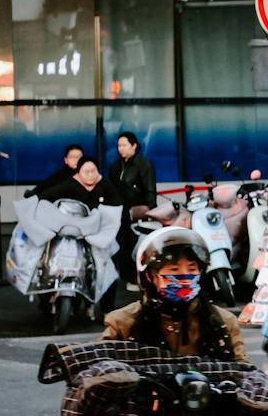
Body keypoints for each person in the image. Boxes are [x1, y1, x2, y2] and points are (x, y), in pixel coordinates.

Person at [101, 225, 248, 361]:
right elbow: (102, 367)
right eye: (174, 269)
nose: (184, 277)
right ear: (150, 276)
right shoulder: (122, 323)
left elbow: (243, 370)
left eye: (191, 269)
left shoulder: (223, 321)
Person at [107, 132, 159, 295]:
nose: (121, 148)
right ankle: (128, 277)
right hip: (120, 213)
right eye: (119, 145)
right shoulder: (116, 166)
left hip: (138, 213)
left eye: (124, 145)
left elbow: (150, 191)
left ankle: (139, 278)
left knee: (137, 246)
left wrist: (149, 211)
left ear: (134, 145)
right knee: (122, 246)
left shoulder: (144, 165)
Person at [38, 158, 120, 209]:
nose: (90, 175)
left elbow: (117, 204)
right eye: (86, 172)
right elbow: (47, 195)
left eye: (93, 171)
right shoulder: (70, 184)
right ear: (78, 173)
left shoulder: (104, 183)